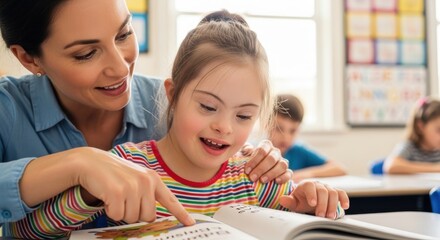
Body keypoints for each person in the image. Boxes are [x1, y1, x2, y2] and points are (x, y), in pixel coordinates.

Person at [4, 9, 350, 239]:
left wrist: (318, 204)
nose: (224, 127)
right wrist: (89, 192)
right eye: (207, 107)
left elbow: (320, 221)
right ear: (170, 94)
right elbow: (29, 233)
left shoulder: (252, 178)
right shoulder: (129, 165)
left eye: (244, 116)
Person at [268, 94, 346, 182]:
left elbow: (339, 168)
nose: (286, 137)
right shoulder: (256, 150)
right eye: (279, 129)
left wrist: (306, 174)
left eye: (293, 131)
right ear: (266, 125)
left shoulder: (298, 151)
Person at [384, 97, 440, 174]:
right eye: (439, 130)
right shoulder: (409, 148)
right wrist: (436, 168)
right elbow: (391, 166)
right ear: (421, 126)